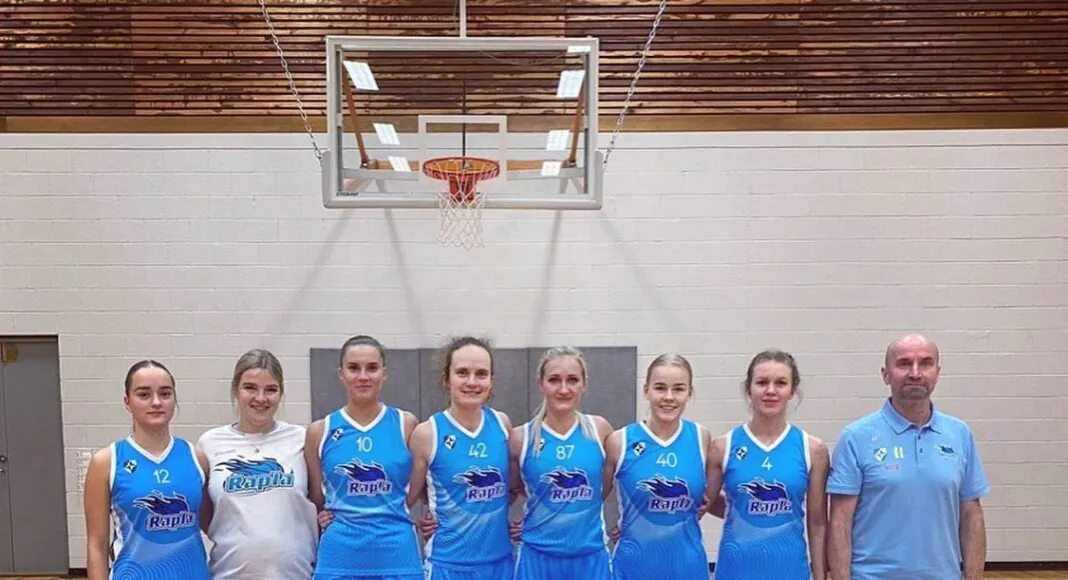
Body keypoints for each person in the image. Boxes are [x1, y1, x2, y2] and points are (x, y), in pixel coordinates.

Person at [827, 333, 989, 580]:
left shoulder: (959, 434)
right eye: (903, 363)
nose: (915, 373)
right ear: (885, 374)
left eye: (925, 363)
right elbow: (840, 522)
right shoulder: (856, 437)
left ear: (937, 372)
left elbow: (971, 515)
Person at [305, 335, 423, 580]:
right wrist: (328, 512)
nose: (363, 376)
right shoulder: (320, 431)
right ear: (341, 374)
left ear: (384, 373)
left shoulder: (406, 424)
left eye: (372, 368)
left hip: (396, 548)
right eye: (353, 368)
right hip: (341, 550)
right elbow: (317, 496)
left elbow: (418, 488)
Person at [82, 360, 211, 580]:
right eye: (144, 394)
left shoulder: (196, 457)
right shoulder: (107, 461)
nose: (156, 402)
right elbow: (97, 544)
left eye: (165, 393)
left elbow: (213, 525)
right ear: (127, 402)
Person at [707, 349, 829, 580]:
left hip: (790, 571)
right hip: (736, 571)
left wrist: (821, 576)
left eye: (780, 383)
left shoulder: (812, 449)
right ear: (748, 389)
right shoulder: (723, 447)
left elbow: (817, 523)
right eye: (762, 382)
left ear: (792, 391)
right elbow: (702, 504)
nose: (771, 391)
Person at [197, 349, 318, 579]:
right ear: (236, 390)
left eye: (270, 389)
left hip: (296, 574)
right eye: (250, 388)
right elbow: (206, 515)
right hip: (229, 573)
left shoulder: (301, 440)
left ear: (280, 393)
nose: (260, 398)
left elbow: (320, 502)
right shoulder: (210, 443)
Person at [407, 336, 514, 580]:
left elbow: (518, 487)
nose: (472, 382)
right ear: (447, 379)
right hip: (447, 564)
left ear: (491, 380)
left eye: (481, 374)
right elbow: (406, 497)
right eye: (462, 372)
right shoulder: (428, 433)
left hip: (500, 564)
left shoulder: (502, 425)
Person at [512, 346, 614, 579]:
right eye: (554, 380)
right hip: (537, 559)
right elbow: (512, 489)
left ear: (584, 384)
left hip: (590, 558)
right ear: (541, 384)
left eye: (573, 380)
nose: (564, 389)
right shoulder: (520, 438)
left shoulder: (600, 430)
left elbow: (608, 485)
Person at [608, 353, 712, 580]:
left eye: (678, 389)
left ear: (690, 393)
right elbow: (591, 498)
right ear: (646, 390)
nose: (669, 397)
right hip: (633, 568)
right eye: (660, 388)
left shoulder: (701, 438)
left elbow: (709, 498)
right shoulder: (620, 441)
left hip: (687, 568)